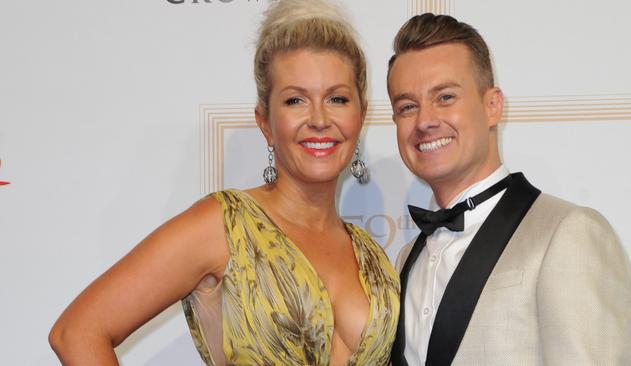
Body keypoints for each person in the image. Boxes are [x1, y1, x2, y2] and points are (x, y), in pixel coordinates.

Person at [48, 0, 400, 365]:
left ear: (360, 116)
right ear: (265, 122)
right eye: (295, 100)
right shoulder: (224, 225)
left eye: (337, 98)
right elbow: (77, 331)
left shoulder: (371, 255)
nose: (319, 119)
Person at [386, 13, 631, 366]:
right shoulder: (405, 259)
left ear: (492, 106)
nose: (425, 120)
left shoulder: (568, 233)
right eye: (407, 106)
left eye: (445, 97)